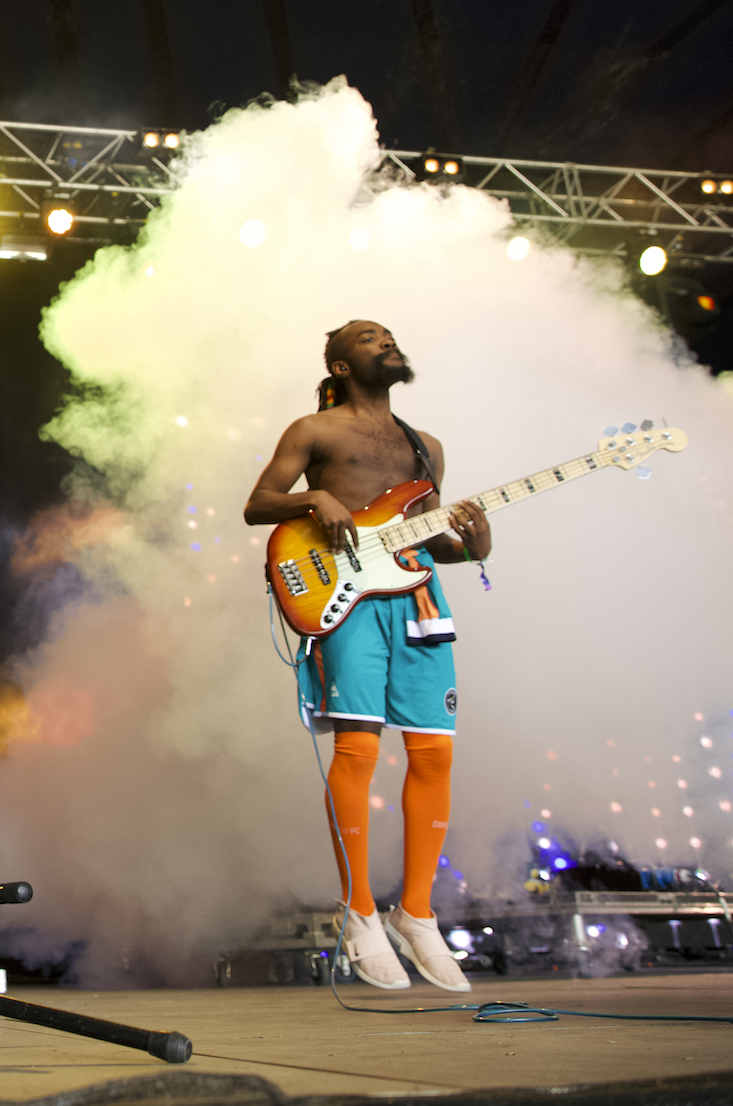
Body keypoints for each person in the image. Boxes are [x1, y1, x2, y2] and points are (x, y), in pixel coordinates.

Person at [243, 320, 492, 992]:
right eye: (366, 336)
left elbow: (434, 537)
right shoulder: (312, 431)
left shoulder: (427, 445)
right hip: (346, 596)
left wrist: (474, 544)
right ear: (340, 364)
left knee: (434, 750)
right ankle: (357, 912)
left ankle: (417, 912)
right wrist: (314, 496)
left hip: (419, 596)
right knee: (358, 750)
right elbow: (256, 504)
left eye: (387, 333)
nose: (384, 339)